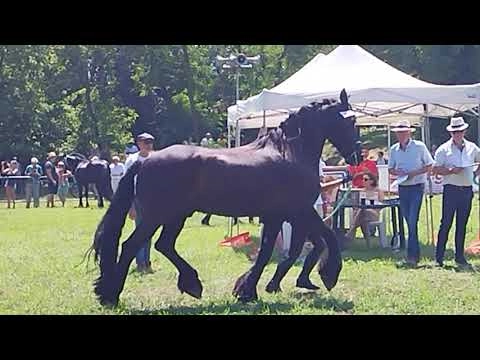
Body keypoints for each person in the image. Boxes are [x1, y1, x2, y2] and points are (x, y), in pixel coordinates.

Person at [433, 117, 480, 268]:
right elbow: (435, 169)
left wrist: (474, 174)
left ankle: (459, 257)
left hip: (466, 189)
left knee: (462, 224)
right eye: (454, 132)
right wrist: (450, 171)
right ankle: (439, 257)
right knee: (446, 223)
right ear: (451, 133)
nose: (457, 134)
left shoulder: (472, 147)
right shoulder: (443, 149)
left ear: (464, 131)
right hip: (451, 189)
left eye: (459, 131)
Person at [388, 120, 434, 267]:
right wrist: (397, 172)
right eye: (398, 133)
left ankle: (412, 255)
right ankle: (414, 254)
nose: (400, 135)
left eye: (403, 132)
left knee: (412, 221)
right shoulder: (394, 149)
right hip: (403, 187)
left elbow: (429, 165)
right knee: (409, 221)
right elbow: (390, 168)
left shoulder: (419, 147)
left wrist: (415, 173)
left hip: (416, 187)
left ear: (409, 133)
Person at [125, 132, 156, 274]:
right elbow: (128, 183)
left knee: (149, 232)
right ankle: (140, 262)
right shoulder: (132, 160)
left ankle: (147, 261)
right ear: (139, 144)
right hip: (138, 197)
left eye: (150, 142)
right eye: (146, 142)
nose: (149, 145)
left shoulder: (156, 158)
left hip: (152, 198)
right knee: (140, 231)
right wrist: (131, 205)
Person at [345, 172, 385, 244]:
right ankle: (368, 244)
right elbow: (357, 205)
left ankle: (351, 231)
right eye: (362, 179)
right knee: (363, 214)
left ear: (372, 181)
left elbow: (381, 204)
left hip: (374, 214)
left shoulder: (378, 191)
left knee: (363, 210)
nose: (363, 181)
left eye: (365, 179)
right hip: (362, 215)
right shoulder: (362, 191)